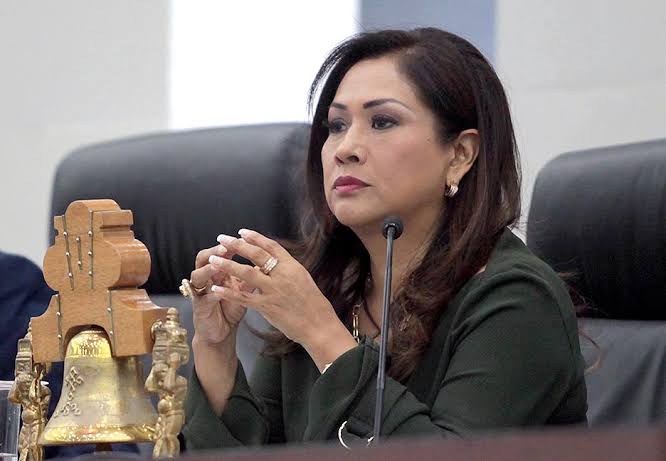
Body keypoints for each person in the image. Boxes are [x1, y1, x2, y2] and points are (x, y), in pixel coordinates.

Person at [181, 28, 587, 450]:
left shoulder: (518, 298)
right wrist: (216, 348)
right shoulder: (328, 288)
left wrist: (320, 333)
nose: (345, 148)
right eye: (337, 125)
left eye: (382, 122)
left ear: (460, 154)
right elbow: (263, 452)